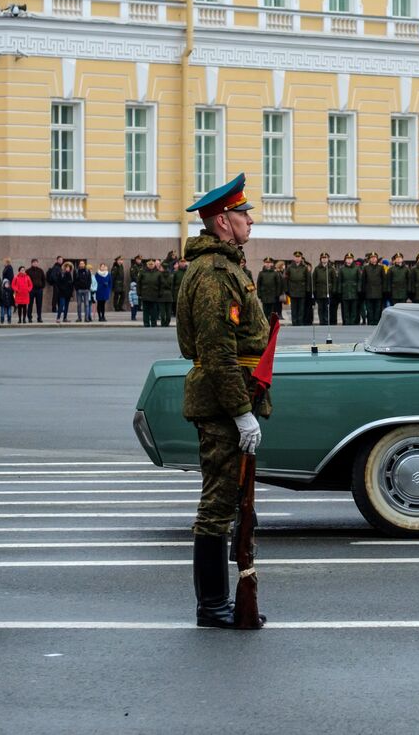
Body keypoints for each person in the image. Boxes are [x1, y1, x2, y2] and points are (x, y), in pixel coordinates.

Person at [175, 173, 270, 629]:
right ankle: (212, 604)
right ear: (221, 222)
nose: (249, 220)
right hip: (221, 402)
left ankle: (218, 603)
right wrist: (240, 411)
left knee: (230, 499)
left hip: (227, 397)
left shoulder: (226, 266)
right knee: (217, 503)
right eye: (242, 214)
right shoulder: (214, 273)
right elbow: (217, 350)